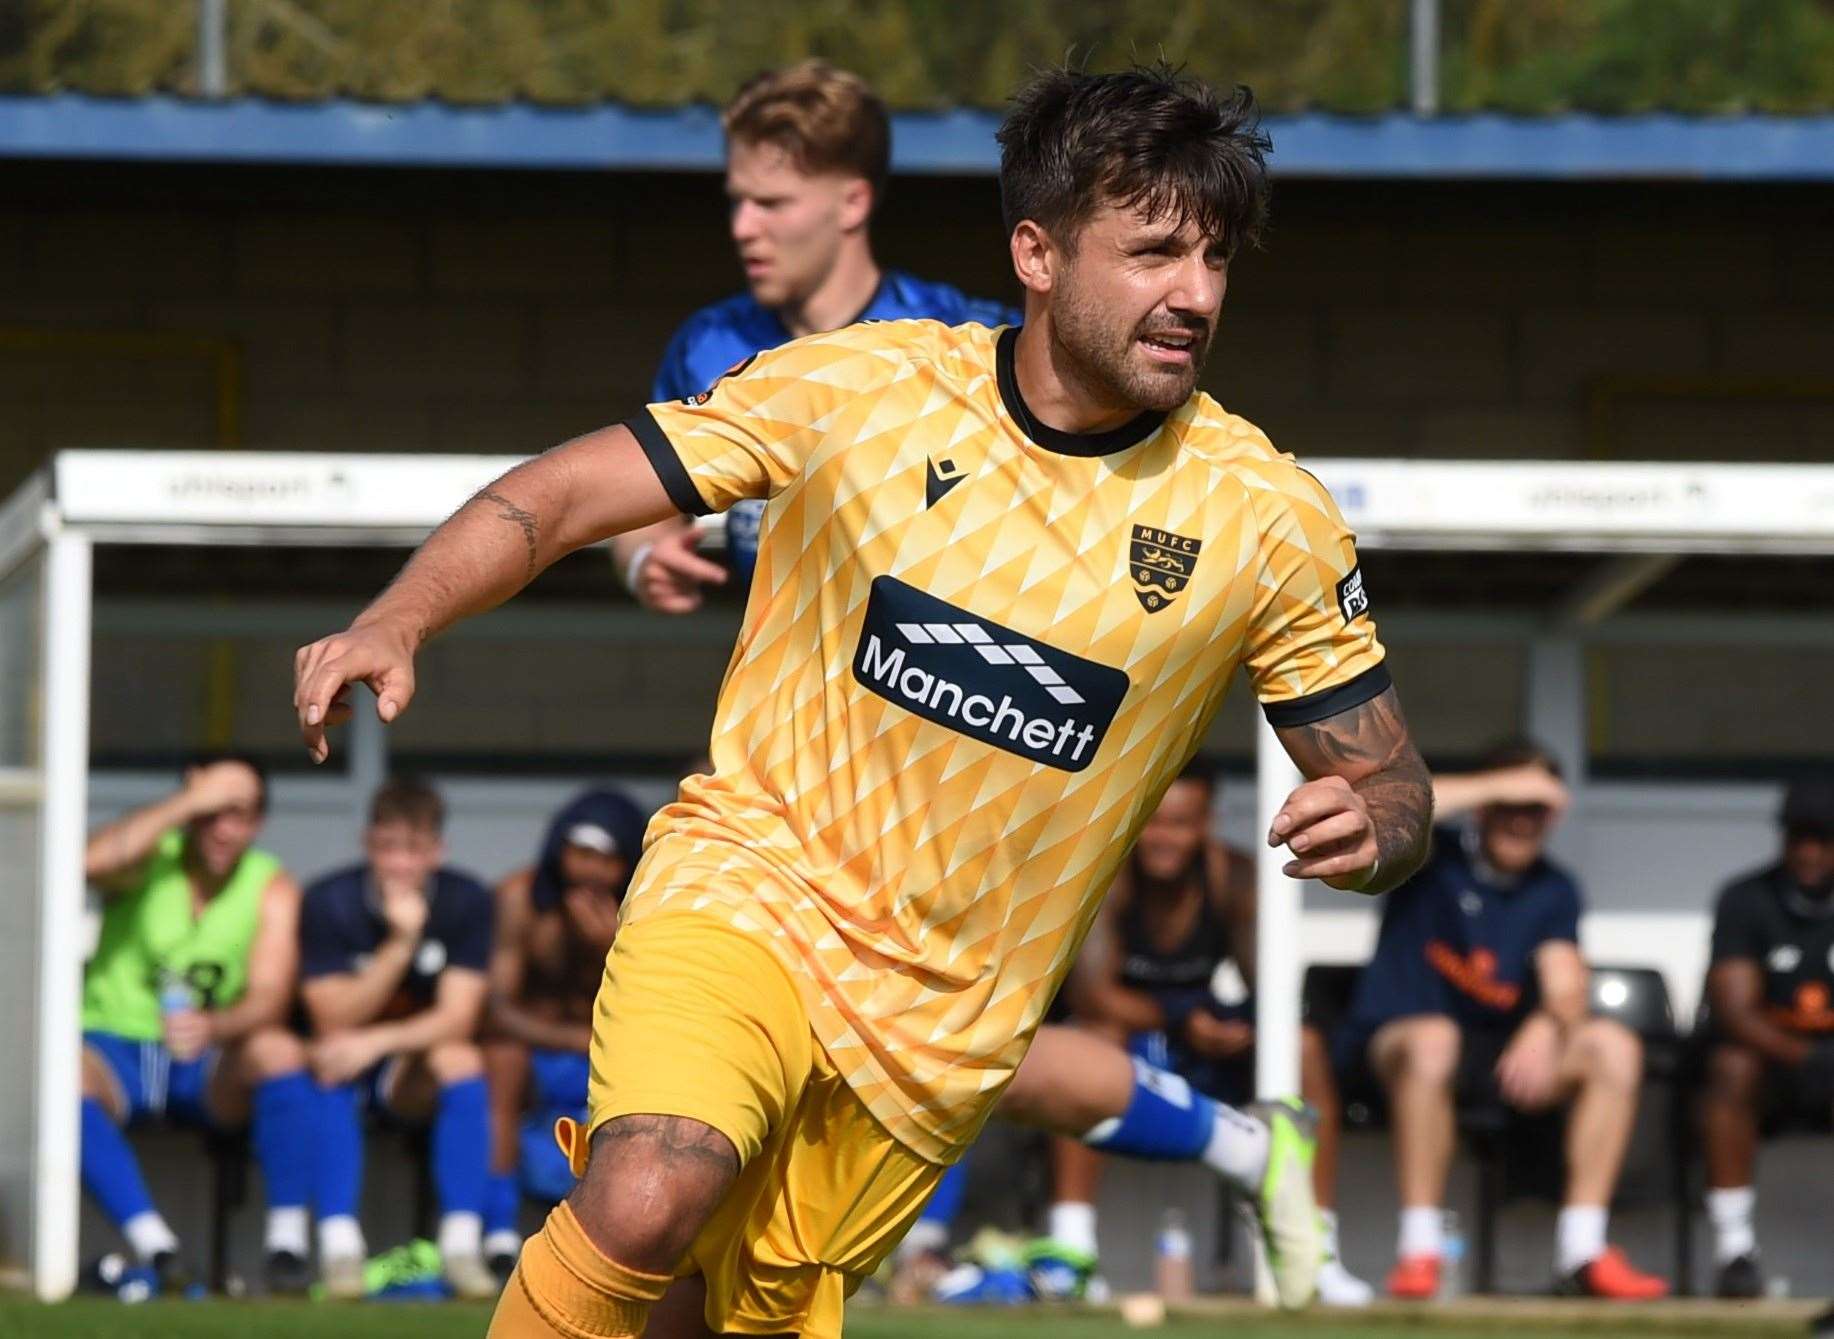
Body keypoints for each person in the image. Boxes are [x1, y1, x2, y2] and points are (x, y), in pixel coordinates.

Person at [292, 63, 1435, 1339]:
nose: (1197, 293)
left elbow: (1390, 780)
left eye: (1217, 258)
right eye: (1157, 250)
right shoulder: (861, 389)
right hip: (751, 887)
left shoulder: (1263, 515)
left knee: (703, 1305)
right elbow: (558, 498)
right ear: (1037, 253)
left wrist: (1378, 827)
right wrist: (398, 615)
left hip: (937, 1038)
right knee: (652, 1179)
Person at [609, 59, 1019, 614]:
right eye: (738, 200)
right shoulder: (708, 343)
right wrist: (644, 559)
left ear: (853, 202)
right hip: (778, 689)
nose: (742, 227)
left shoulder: (966, 335)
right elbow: (643, 511)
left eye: (772, 203)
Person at [1338, 741, 1667, 1300]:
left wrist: (1545, 1026)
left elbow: (1566, 981)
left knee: (1613, 1045)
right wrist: (1502, 783)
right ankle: (1420, 1250)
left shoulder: (1553, 888)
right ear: (1487, 804)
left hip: (1492, 1057)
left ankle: (1582, 1251)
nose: (1524, 820)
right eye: (1513, 803)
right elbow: (1388, 804)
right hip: (1394, 1046)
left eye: (1538, 809)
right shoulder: (1430, 854)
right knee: (1435, 1041)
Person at [1052, 762, 1374, 1305]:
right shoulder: (1104, 872)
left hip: (1201, 1037)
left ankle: (1316, 1248)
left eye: (1181, 825)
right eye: (1155, 823)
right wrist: (1181, 1021)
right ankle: (1070, 1251)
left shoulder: (1235, 876)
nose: (1164, 839)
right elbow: (1092, 995)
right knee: (1089, 1036)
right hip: (1131, 1039)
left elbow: (1265, 988)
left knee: (1302, 1047)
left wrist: (1238, 1029)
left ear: (1206, 823)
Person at [78, 755, 316, 1295]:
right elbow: (87, 863)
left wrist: (216, 1025)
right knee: (61, 1076)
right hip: (115, 1047)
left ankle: (286, 1248)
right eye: (213, 812)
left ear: (258, 823)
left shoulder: (271, 886)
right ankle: (157, 1248)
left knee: (280, 1051)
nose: (224, 828)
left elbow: (270, 997)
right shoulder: (149, 858)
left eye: (240, 813)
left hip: (204, 1061)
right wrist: (190, 800)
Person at [297, 777, 496, 1299]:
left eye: (413, 851)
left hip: (407, 1068)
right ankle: (339, 1248)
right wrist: (401, 943)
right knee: (324, 1064)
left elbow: (457, 1018)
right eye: (387, 848)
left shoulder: (466, 901)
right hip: (341, 1064)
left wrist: (376, 1042)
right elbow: (329, 1017)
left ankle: (460, 1246)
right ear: (368, 844)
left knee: (461, 1059)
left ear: (437, 852)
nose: (399, 865)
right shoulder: (329, 901)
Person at [483, 789, 649, 1278]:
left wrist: (607, 948)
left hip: (616, 1058)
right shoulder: (521, 899)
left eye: (607, 859)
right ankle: (496, 1228)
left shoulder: (641, 910)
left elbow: (652, 1007)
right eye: (582, 854)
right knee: (499, 1058)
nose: (592, 871)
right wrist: (573, 1041)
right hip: (539, 1058)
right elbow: (495, 1011)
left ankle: (623, 1245)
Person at [1699, 775, 1834, 1299]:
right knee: (1731, 1066)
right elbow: (1734, 1011)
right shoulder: (1746, 897)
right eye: (1798, 837)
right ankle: (1735, 1250)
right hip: (1773, 1068)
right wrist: (1808, 1058)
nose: (1808, 852)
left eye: (1823, 839)